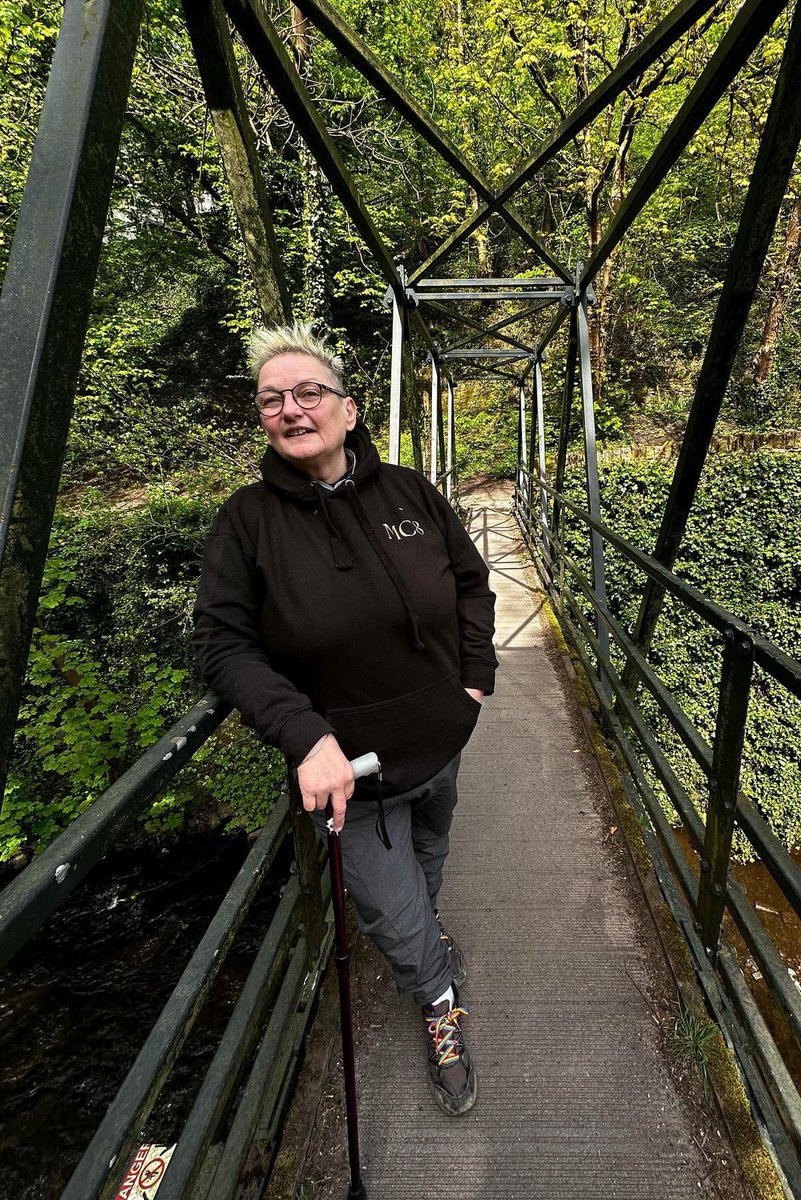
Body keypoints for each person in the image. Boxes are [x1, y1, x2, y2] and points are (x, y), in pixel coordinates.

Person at [192, 322, 497, 1116]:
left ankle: (430, 929)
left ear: (349, 410)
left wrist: (474, 681)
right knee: (392, 914)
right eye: (271, 400)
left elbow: (471, 583)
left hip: (442, 741)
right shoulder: (246, 522)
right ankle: (438, 999)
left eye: (308, 393)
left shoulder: (408, 493)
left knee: (433, 845)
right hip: (348, 776)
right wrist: (305, 733)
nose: (291, 409)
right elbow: (223, 647)